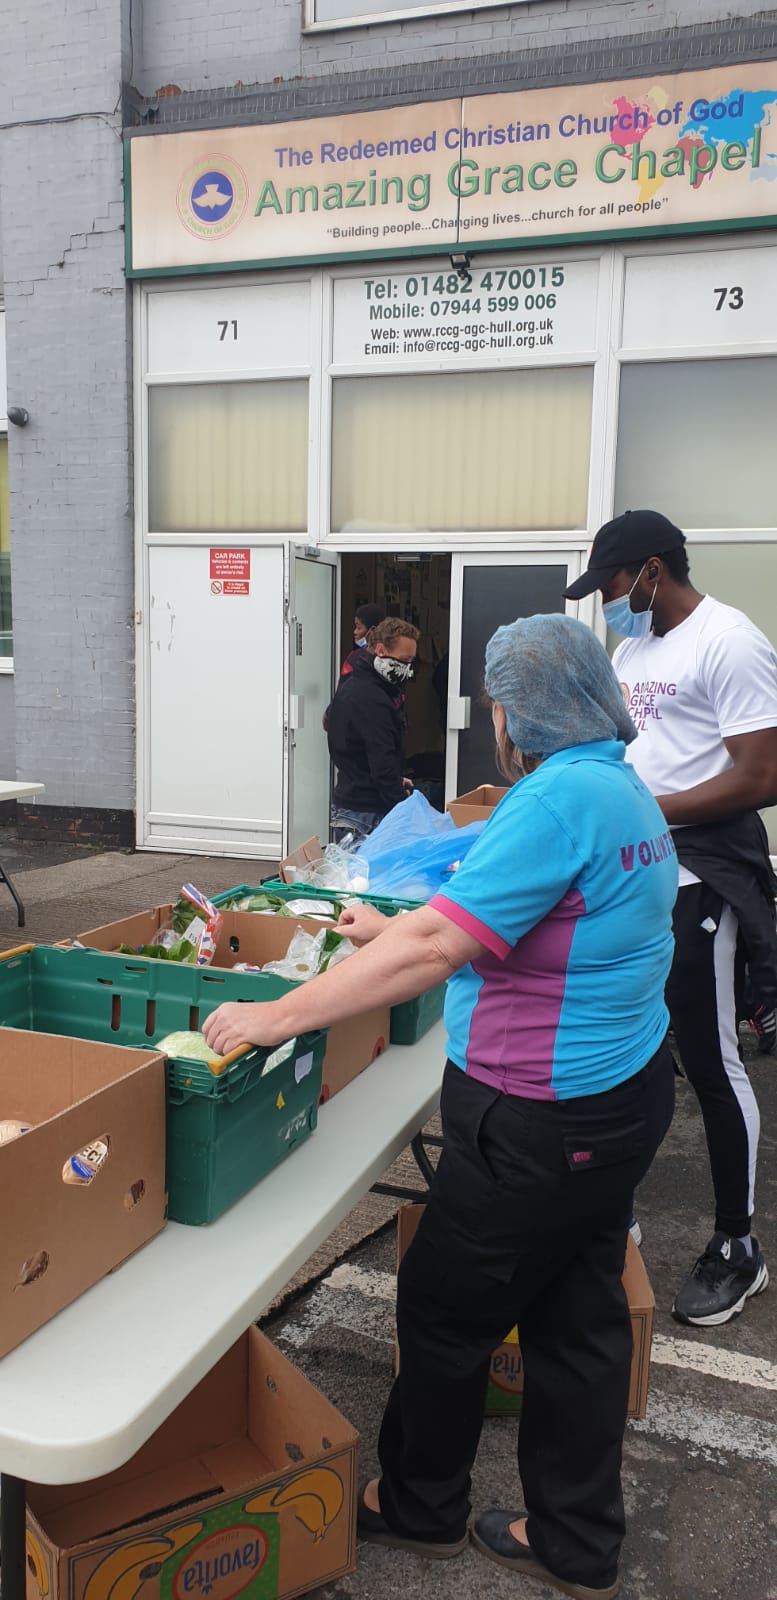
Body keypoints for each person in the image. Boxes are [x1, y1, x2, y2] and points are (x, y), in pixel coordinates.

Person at [204, 614, 677, 1599]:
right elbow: (510, 914)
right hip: (617, 1103)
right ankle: (577, 1539)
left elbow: (436, 949)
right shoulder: (621, 787)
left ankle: (419, 1506)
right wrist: (383, 929)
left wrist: (274, 1016)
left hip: (537, 1119)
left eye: (498, 702)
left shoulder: (554, 800)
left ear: (518, 711)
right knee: (577, 1311)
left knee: (446, 1306)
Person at [564, 508, 777, 1326]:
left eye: (612, 584)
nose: (607, 601)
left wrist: (649, 811)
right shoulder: (633, 649)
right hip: (634, 875)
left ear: (652, 570)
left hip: (698, 877)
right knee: (632, 1045)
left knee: (709, 1057)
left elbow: (761, 775)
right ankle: (614, 1212)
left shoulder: (730, 641)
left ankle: (736, 1247)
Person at [327, 616, 418, 845]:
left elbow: (357, 750)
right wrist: (403, 805)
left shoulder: (353, 686)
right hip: (367, 814)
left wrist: (395, 779)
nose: (408, 669)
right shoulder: (373, 699)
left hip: (351, 803)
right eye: (404, 660)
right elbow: (380, 761)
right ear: (380, 650)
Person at [322, 604, 387, 733]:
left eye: (359, 627)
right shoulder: (391, 656)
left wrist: (330, 714)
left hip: (355, 725)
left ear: (372, 630)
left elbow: (344, 689)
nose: (355, 632)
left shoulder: (357, 658)